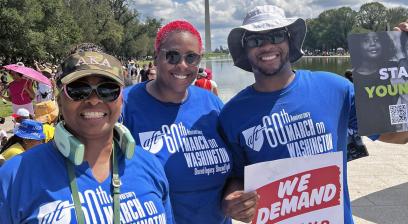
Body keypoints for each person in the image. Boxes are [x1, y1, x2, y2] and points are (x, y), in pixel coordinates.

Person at [219, 5, 408, 223]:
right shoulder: (232, 114)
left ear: (290, 41)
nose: (267, 45)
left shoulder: (336, 88)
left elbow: (399, 135)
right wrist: (232, 201)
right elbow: (233, 175)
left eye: (277, 35)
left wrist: (399, 59)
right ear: (245, 49)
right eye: (255, 40)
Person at [0, 44, 173, 223]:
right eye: (78, 89)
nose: (94, 100)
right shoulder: (14, 177)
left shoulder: (150, 165)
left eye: (108, 89)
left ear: (121, 99)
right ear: (59, 99)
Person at [122, 20, 233, 223]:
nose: (182, 65)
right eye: (172, 56)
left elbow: (236, 165)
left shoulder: (212, 104)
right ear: (156, 58)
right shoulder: (125, 105)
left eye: (191, 57)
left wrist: (234, 194)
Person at [348, 32, 399, 134]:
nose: (372, 44)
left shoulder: (395, 69)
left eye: (377, 40)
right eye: (366, 40)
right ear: (358, 46)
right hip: (374, 132)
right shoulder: (351, 77)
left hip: (396, 127)